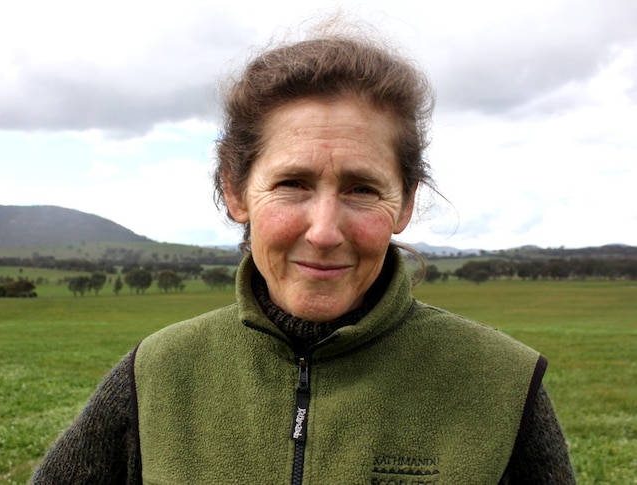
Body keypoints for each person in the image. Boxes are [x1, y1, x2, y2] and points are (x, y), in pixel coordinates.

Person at [30, 26, 576, 485]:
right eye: (293, 183)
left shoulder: (502, 383)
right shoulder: (158, 373)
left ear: (406, 204)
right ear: (237, 191)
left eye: (362, 189)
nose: (323, 231)